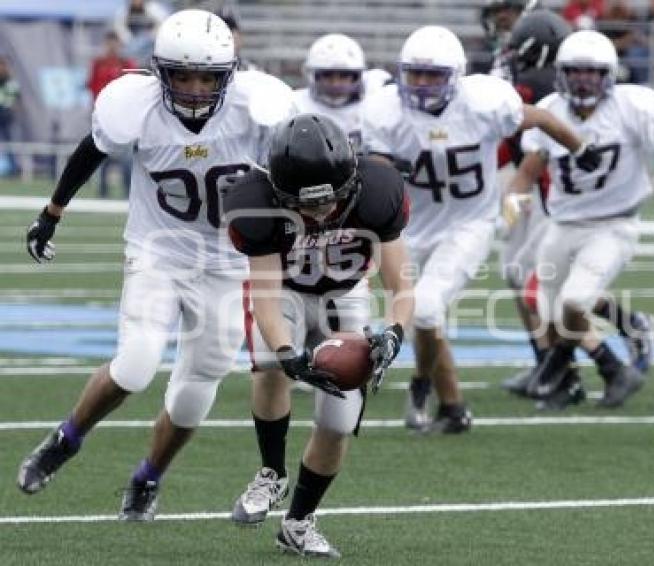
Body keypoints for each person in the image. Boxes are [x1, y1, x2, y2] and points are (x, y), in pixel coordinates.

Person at [17, 9, 296, 520]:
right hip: (158, 250)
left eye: (207, 77)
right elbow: (91, 152)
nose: (193, 88)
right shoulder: (135, 104)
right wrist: (51, 212)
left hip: (228, 263)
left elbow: (295, 168)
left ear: (228, 74)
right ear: (159, 71)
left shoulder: (258, 105)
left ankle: (148, 478)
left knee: (195, 393)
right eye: (181, 75)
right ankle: (66, 437)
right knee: (137, 363)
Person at [362, 25, 602, 434]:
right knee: (399, 309)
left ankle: (421, 383)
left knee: (428, 308)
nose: (421, 84)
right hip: (409, 225)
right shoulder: (384, 110)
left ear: (454, 75)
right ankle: (453, 407)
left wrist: (581, 149)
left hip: (468, 223)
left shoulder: (484, 102)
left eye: (433, 75)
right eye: (415, 74)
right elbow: (378, 171)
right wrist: (383, 169)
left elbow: (542, 117)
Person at [224, 114, 413, 558]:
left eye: (331, 201)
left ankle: (299, 522)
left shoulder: (380, 190)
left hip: (345, 294)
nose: (322, 213)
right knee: (271, 366)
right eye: (306, 205)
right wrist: (289, 352)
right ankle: (272, 472)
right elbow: (266, 297)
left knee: (339, 420)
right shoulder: (255, 201)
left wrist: (395, 332)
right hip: (286, 291)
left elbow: (402, 286)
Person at [505, 30, 654, 411]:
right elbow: (528, 171)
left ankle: (564, 366)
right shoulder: (552, 110)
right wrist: (514, 197)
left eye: (592, 72)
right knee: (545, 308)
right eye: (575, 71)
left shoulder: (631, 108)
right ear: (561, 73)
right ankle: (612, 370)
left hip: (613, 224)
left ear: (609, 75)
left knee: (574, 301)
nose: (583, 80)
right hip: (563, 224)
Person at [294, 33, 387, 151]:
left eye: (344, 75)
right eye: (327, 75)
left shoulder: (372, 102)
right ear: (314, 76)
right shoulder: (297, 105)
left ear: (357, 76)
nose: (335, 83)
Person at [87, 30, 135, 198]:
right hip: (102, 116)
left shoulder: (127, 63)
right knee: (102, 155)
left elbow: (133, 89)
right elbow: (92, 87)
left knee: (126, 156)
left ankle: (128, 193)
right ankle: (103, 193)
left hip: (122, 117)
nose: (112, 47)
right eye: (109, 43)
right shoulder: (98, 64)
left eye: (115, 43)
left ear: (120, 45)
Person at [0, 55, 20, 177]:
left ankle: (13, 168)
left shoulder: (11, 83)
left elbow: (13, 100)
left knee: (9, 143)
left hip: (6, 116)